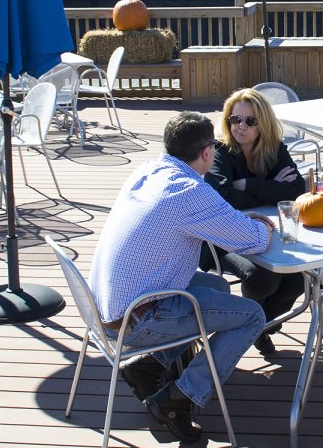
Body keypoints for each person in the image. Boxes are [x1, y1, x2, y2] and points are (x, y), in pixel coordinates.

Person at [90, 111, 274, 442]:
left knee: (216, 285)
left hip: (108, 307)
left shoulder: (149, 170)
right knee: (252, 316)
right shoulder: (187, 190)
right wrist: (267, 225)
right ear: (206, 153)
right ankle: (180, 399)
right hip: (139, 319)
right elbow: (253, 239)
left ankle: (149, 368)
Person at [204, 88, 307, 356]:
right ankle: (246, 328)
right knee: (263, 278)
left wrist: (248, 184)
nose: (241, 126)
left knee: (298, 281)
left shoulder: (274, 149)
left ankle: (258, 328)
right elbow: (224, 197)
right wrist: (272, 187)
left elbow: (296, 190)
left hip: (264, 231)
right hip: (220, 237)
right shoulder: (220, 151)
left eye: (250, 121)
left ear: (263, 124)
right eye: (235, 119)